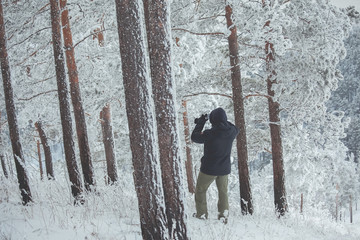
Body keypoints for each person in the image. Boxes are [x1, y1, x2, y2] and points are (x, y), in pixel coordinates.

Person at [191, 107, 239, 223]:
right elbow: (231, 125)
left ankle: (202, 215)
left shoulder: (209, 133)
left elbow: (194, 137)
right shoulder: (232, 131)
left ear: (213, 120)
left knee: (200, 191)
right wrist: (223, 122)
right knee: (223, 192)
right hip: (224, 169)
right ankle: (223, 217)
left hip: (209, 169)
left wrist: (201, 122)